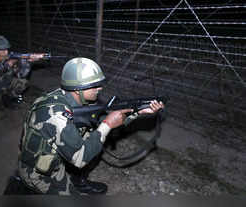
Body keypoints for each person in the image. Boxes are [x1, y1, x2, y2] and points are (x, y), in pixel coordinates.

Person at [17, 57, 164, 195]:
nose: (99, 89)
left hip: (58, 157)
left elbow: (105, 119)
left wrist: (138, 111)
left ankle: (78, 180)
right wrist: (107, 124)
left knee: (96, 137)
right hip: (40, 172)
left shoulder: (72, 99)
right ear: (78, 89)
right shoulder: (55, 115)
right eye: (94, 86)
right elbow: (80, 157)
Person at [0, 35, 45, 120]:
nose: (6, 52)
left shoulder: (9, 57)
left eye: (6, 49)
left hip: (2, 83)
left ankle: (7, 100)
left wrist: (27, 62)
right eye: (2, 50)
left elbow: (21, 75)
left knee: (22, 83)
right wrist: (7, 65)